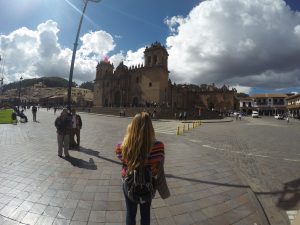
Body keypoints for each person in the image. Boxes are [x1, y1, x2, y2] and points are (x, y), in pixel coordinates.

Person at [115, 112, 170, 225]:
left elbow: (122, 160)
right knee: (145, 215)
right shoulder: (159, 147)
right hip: (148, 185)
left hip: (129, 184)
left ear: (132, 126)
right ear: (150, 127)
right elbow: (159, 169)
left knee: (130, 214)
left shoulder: (122, 147)